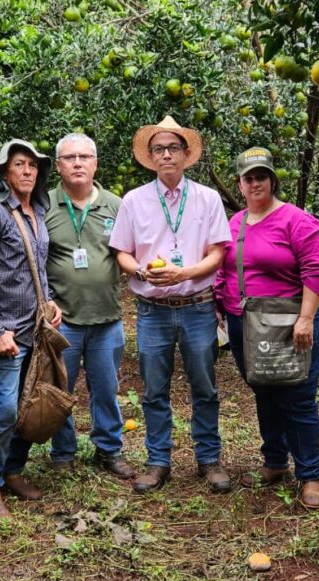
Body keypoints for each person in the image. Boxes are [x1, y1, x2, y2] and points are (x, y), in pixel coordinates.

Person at [109, 116, 232, 494]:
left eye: (173, 148)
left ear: (185, 154)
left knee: (205, 386)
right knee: (154, 390)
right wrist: (144, 274)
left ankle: (208, 460)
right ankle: (158, 460)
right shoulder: (134, 200)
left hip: (197, 305)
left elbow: (218, 253)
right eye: (159, 149)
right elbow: (122, 254)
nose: (166, 155)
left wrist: (187, 273)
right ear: (150, 156)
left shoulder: (208, 198)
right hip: (152, 311)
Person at [214, 147, 319, 509]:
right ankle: (275, 461)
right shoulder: (233, 223)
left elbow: (316, 268)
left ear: (272, 180)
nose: (255, 183)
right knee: (264, 390)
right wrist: (221, 306)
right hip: (245, 323)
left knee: (297, 396)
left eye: (261, 176)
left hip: (290, 322)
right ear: (240, 184)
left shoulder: (296, 220)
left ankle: (310, 473)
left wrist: (306, 317)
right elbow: (224, 269)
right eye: (248, 178)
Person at [0, 139, 63, 523]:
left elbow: (36, 269)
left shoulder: (37, 213)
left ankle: (12, 471)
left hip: (35, 328)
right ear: (4, 172)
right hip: (7, 333)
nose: (27, 171)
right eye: (19, 164)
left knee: (29, 407)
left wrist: (52, 300)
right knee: (6, 409)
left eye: (33, 165)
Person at [44, 133, 135, 479]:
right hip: (61, 321)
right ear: (58, 166)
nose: (78, 163)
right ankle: (63, 452)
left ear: (96, 163)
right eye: (70, 158)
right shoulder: (43, 204)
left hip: (107, 317)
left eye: (85, 156)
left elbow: (128, 251)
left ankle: (108, 450)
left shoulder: (116, 204)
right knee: (60, 389)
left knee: (106, 389)